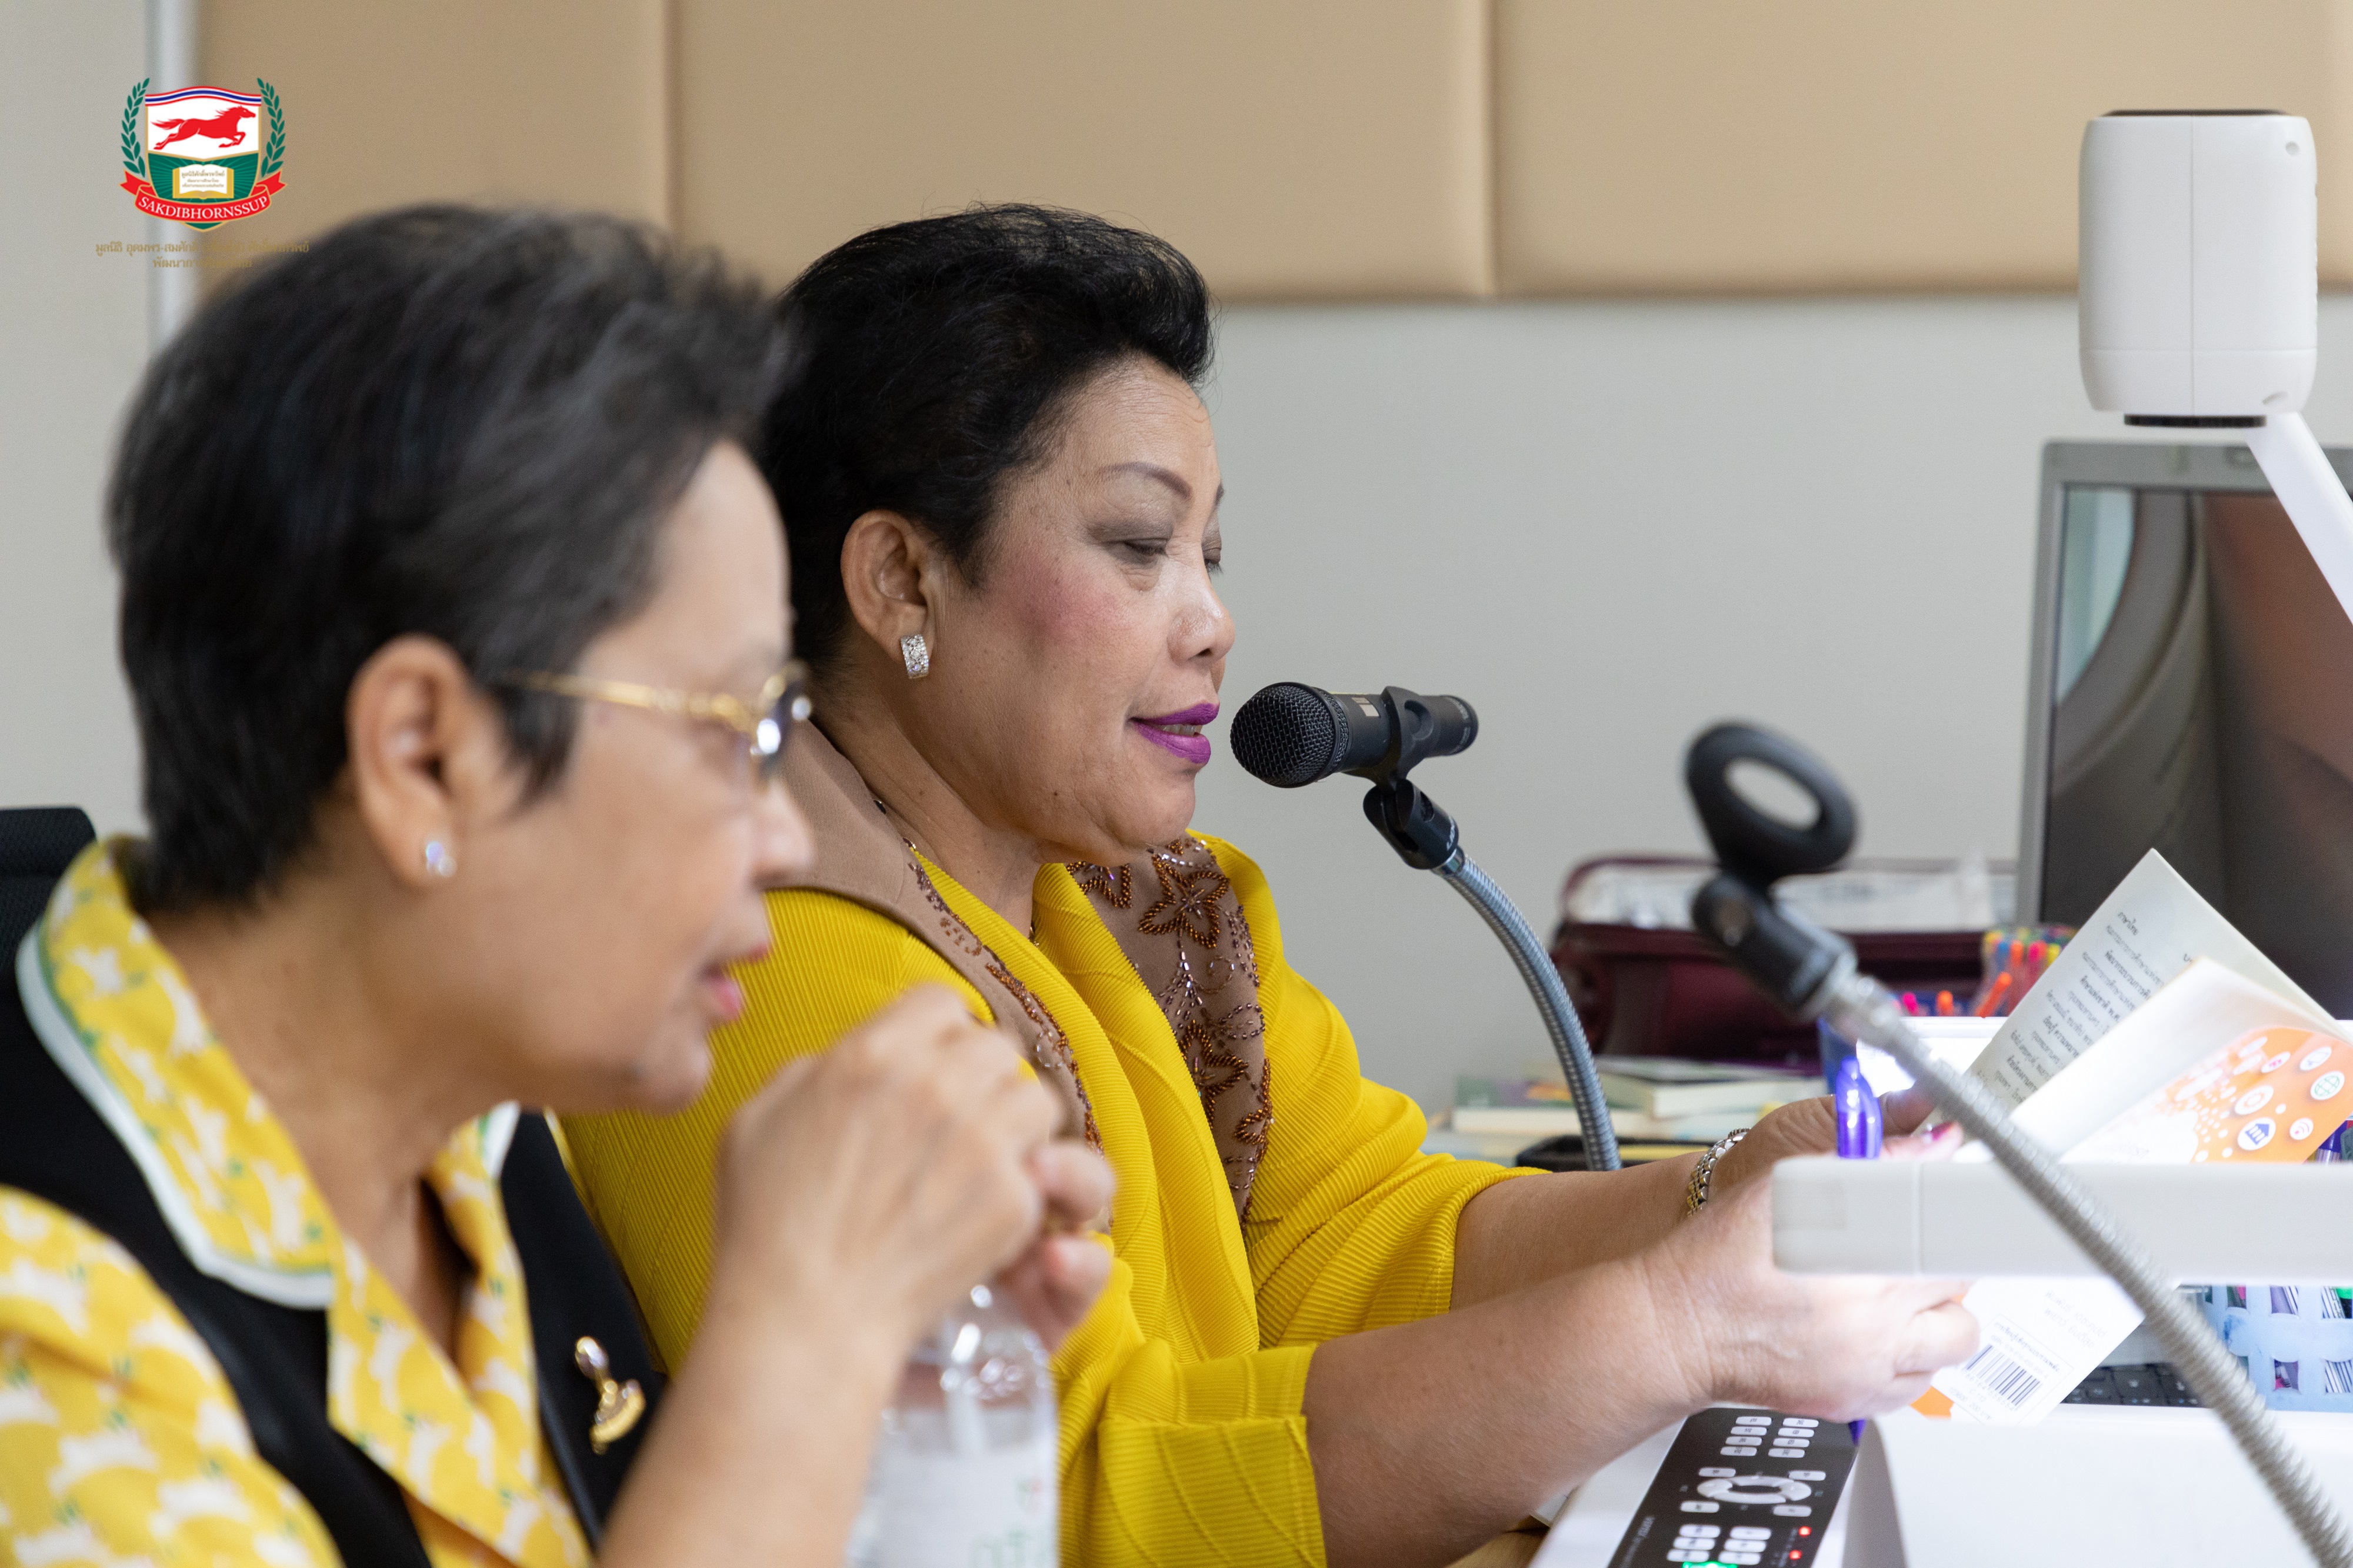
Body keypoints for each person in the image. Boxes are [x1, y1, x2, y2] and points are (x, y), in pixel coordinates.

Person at [561, 205, 1977, 1568]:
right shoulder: (776, 964)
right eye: (1138, 546)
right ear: (900, 581)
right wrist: (1670, 1333)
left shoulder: (1137, 901)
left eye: (1211, 553)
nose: (1213, 623)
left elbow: (1354, 1237)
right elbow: (1070, 1496)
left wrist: (1735, 1189)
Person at [0, 205, 1111, 1568]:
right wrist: (802, 1335)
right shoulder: (44, 1343)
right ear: (424, 757)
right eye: (732, 731)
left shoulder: (480, 1134)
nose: (782, 835)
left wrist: (892, 1409)